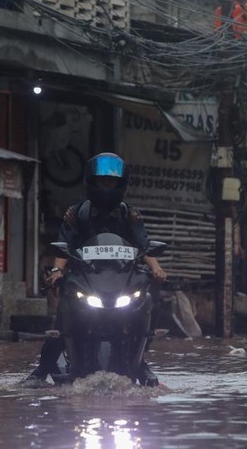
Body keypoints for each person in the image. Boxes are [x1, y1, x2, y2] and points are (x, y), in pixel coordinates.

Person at [24, 153, 166, 386]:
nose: (106, 187)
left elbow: (144, 246)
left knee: (147, 300)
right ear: (91, 182)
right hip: (84, 277)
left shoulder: (130, 215)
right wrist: (57, 271)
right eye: (102, 182)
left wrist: (157, 268)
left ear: (121, 184)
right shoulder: (76, 213)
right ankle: (41, 370)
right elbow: (64, 247)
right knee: (64, 314)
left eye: (111, 182)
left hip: (122, 277)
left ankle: (140, 358)